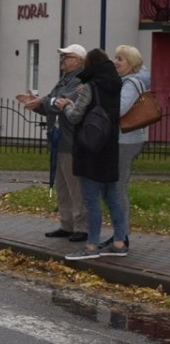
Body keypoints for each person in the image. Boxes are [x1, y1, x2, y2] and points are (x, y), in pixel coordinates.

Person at [53, 48, 124, 260]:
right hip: (109, 147)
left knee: (91, 201)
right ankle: (119, 242)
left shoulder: (90, 87)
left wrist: (66, 105)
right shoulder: (116, 85)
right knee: (112, 199)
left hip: (90, 150)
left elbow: (75, 117)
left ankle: (91, 246)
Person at [16, 44, 88, 242]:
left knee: (75, 186)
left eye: (67, 56)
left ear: (79, 60)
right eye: (62, 57)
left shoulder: (81, 80)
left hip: (71, 140)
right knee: (62, 185)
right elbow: (51, 105)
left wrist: (43, 101)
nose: (62, 60)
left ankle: (82, 226)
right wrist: (35, 103)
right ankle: (66, 224)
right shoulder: (64, 80)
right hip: (57, 139)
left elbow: (61, 103)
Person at [110, 45, 149, 252]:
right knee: (114, 188)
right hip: (122, 140)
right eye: (116, 57)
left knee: (117, 188)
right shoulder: (123, 82)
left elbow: (120, 109)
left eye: (120, 59)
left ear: (131, 64)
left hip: (126, 141)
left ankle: (122, 236)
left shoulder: (131, 83)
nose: (115, 61)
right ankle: (119, 233)